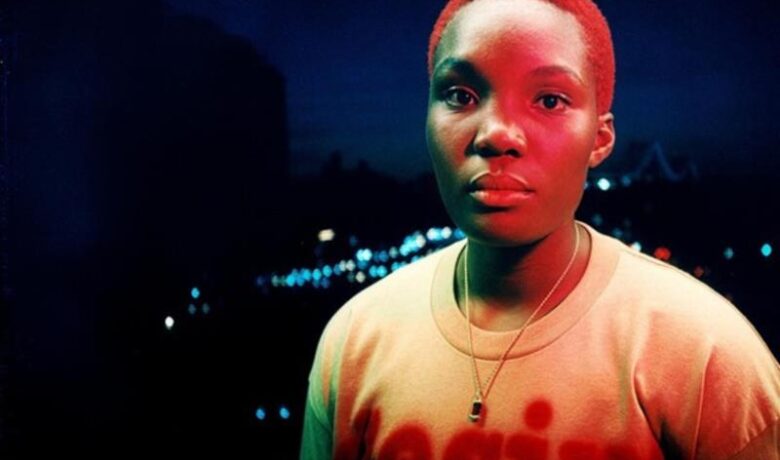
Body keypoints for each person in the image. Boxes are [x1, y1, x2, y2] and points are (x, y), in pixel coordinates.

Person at [300, 0, 780, 458]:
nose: (496, 134)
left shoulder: (707, 353)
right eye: (461, 96)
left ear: (601, 139)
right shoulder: (354, 340)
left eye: (549, 100)